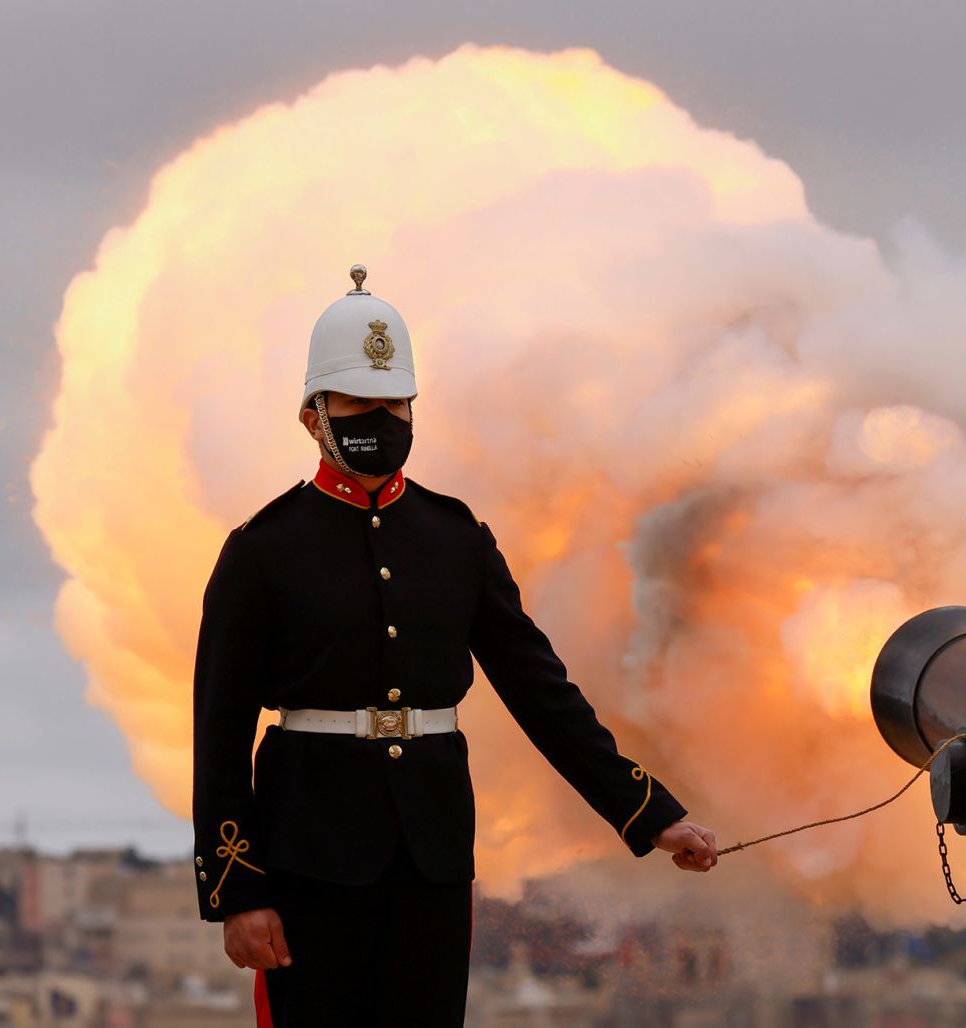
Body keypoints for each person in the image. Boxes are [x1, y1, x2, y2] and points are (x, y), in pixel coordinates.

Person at [191, 265, 717, 1027]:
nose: (382, 417)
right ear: (314, 416)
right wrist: (238, 892)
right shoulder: (260, 550)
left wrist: (646, 813)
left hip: (433, 854)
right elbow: (220, 731)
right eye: (359, 403)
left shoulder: (457, 537)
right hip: (307, 855)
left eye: (394, 402)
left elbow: (543, 692)